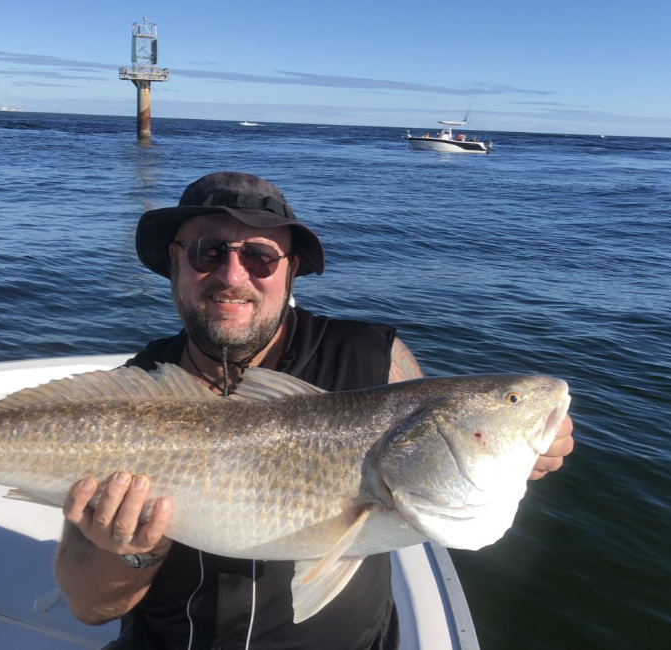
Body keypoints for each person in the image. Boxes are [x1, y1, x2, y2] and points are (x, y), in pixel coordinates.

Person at [55, 172, 575, 650]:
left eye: (260, 256)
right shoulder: (122, 398)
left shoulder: (374, 359)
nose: (232, 274)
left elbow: (439, 447)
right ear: (175, 262)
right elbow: (88, 605)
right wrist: (130, 551)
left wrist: (529, 449)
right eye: (207, 251)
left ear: (291, 270)